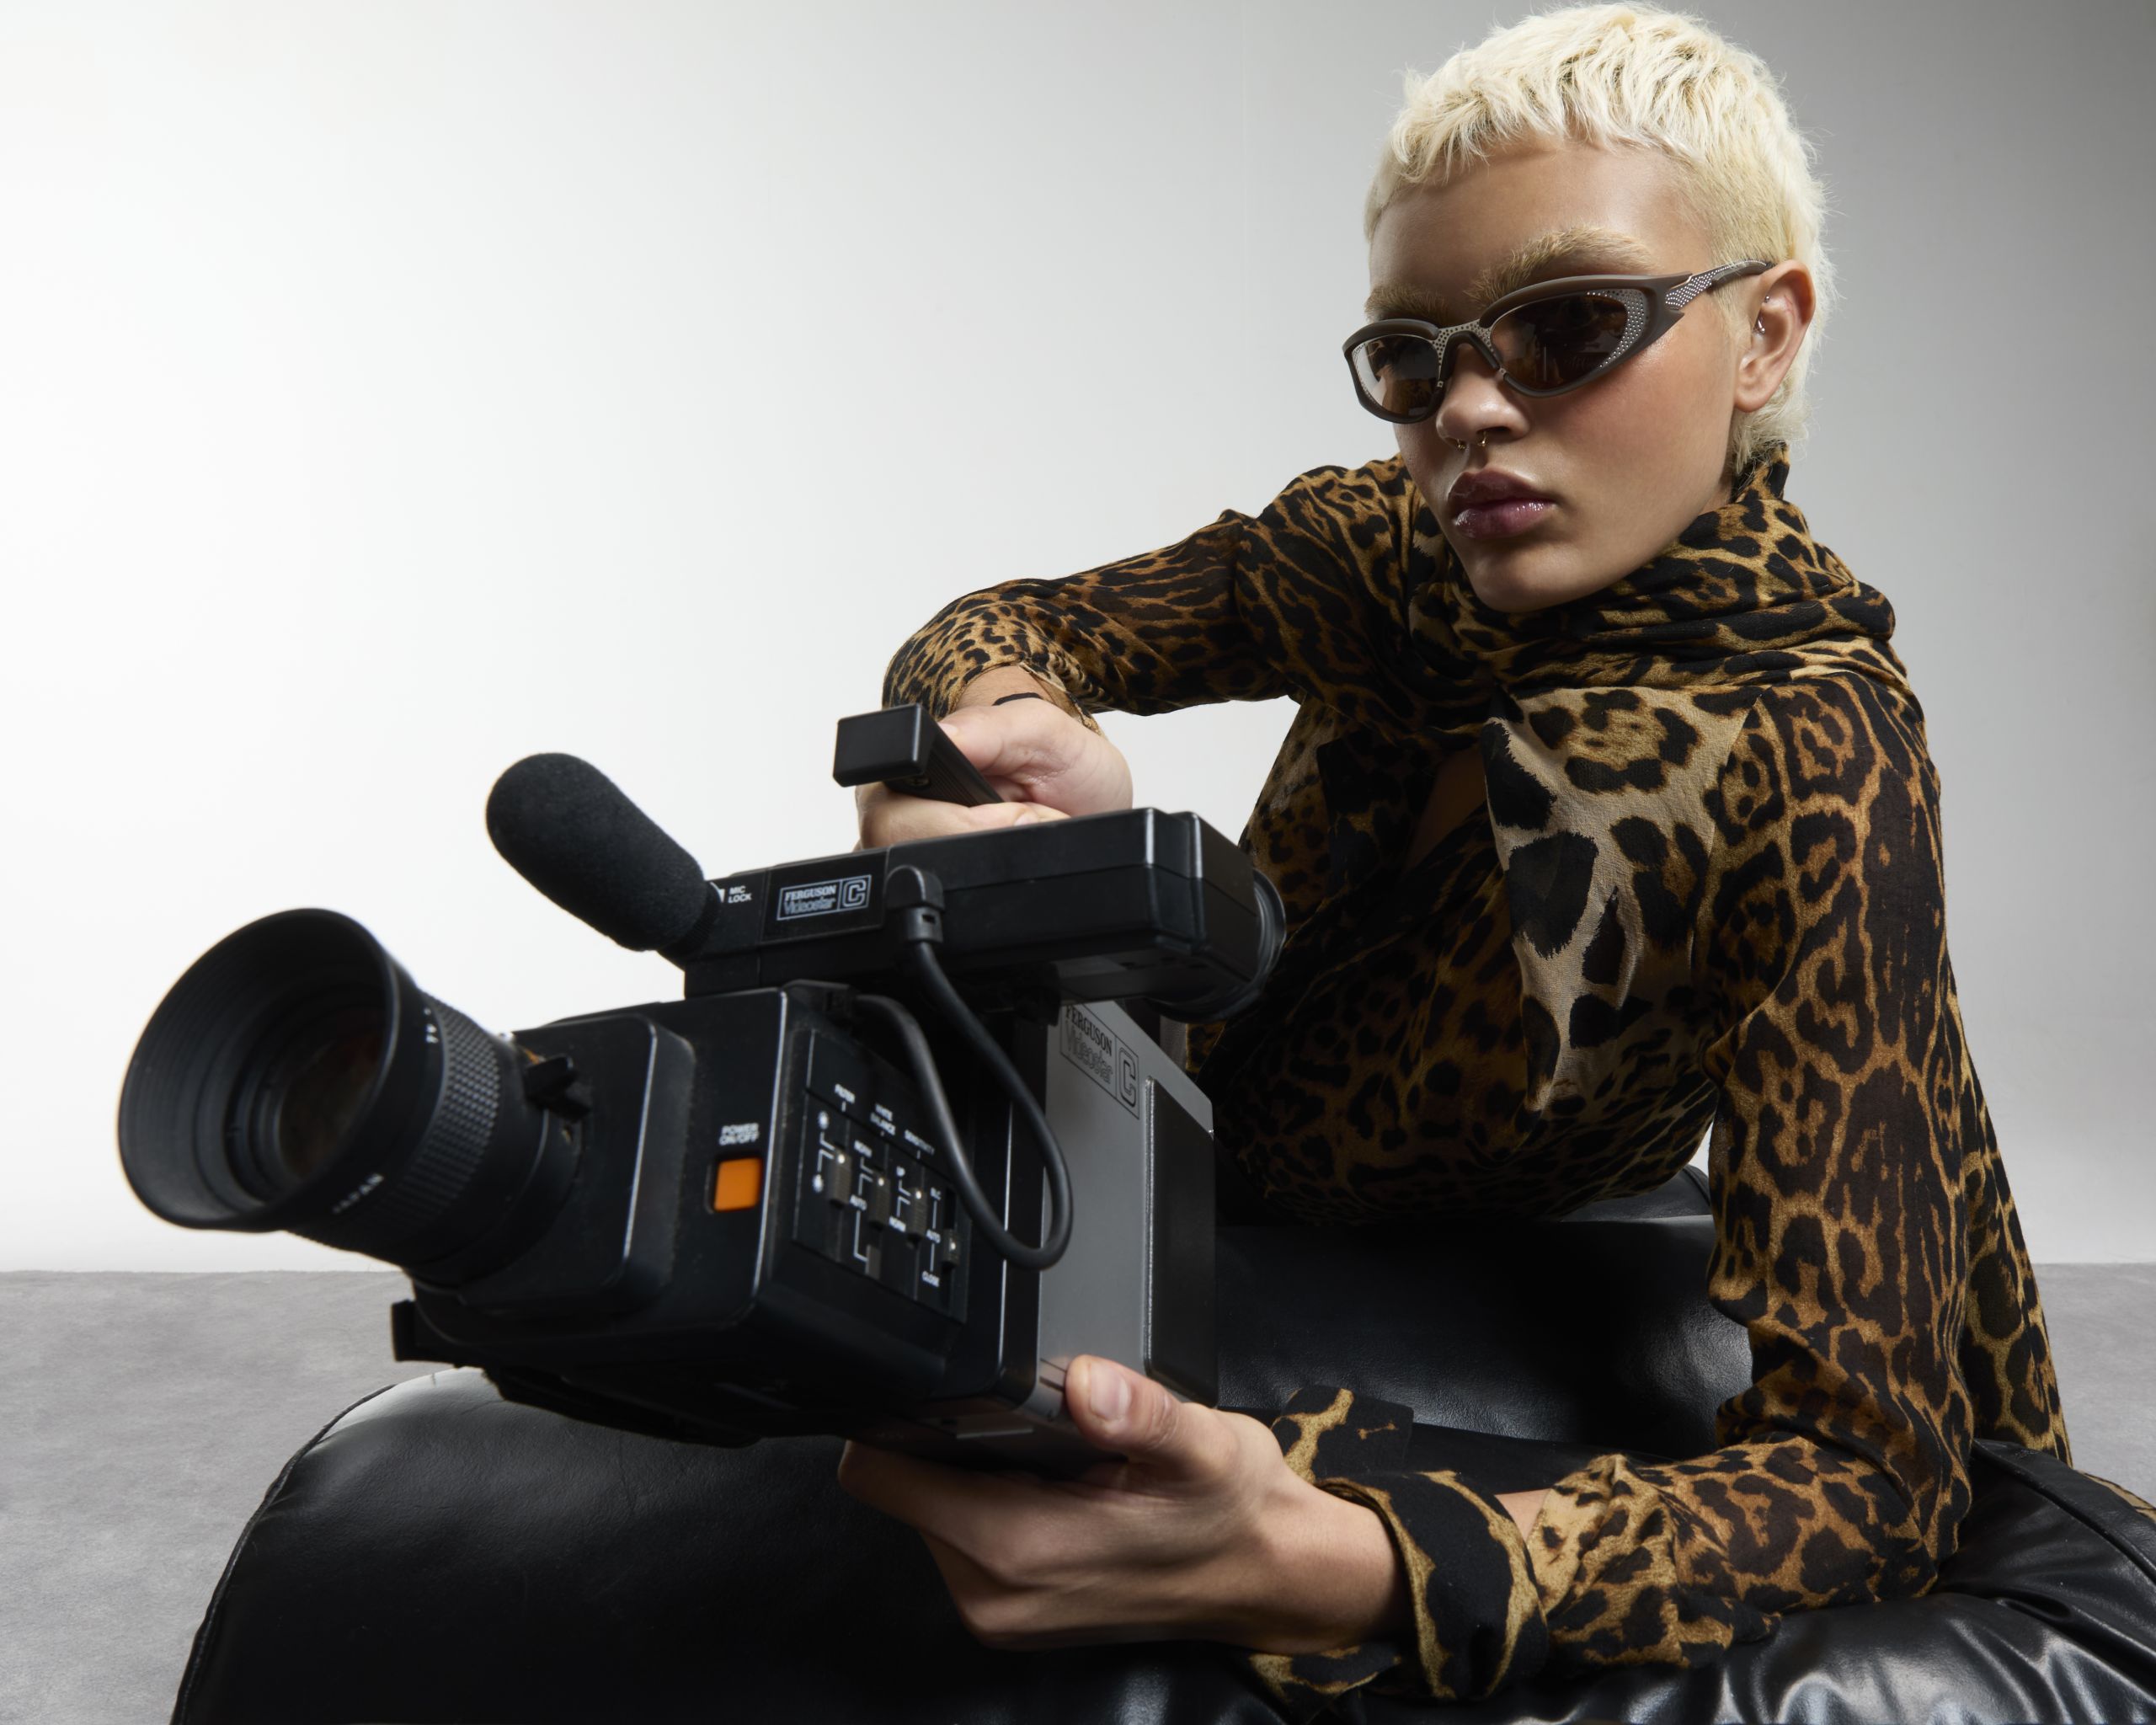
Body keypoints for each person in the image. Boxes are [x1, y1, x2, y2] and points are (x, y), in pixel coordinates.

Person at [833, 5, 2081, 1717]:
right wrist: (996, 740)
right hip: (1138, 1144)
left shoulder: (1809, 749)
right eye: (1417, 358)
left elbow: (1865, 1479)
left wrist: (1338, 1561)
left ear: (1763, 333)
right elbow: (1013, 622)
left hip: (1437, 1263)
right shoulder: (1393, 558)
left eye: (1567, 326)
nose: (1473, 410)